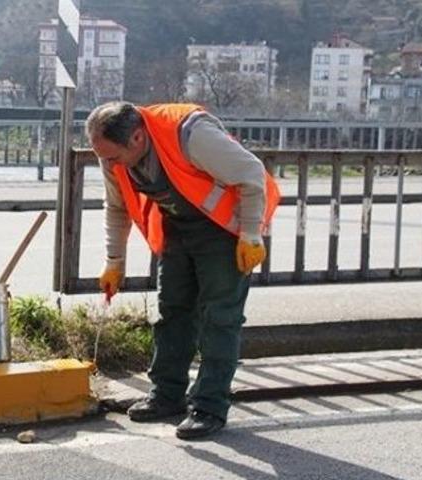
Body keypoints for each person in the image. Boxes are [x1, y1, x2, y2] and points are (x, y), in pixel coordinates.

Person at [86, 101, 280, 440]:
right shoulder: (112, 156)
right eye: (103, 157)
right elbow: (116, 206)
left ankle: (209, 407)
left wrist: (251, 232)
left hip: (225, 230)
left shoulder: (190, 134)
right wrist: (114, 261)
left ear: (136, 137)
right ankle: (167, 394)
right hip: (179, 227)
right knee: (172, 310)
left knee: (219, 318)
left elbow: (251, 174)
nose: (108, 164)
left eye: (112, 157)